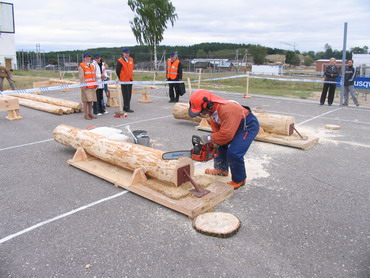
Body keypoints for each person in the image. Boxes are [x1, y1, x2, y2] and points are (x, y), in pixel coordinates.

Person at [188, 89, 260, 189]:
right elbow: (218, 132)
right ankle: (221, 169)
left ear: (208, 105)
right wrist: (214, 142)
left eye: (201, 111)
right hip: (231, 126)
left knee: (234, 153)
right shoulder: (212, 112)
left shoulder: (226, 109)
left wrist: (209, 138)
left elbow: (227, 134)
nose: (201, 114)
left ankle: (239, 179)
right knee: (219, 143)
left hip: (246, 126)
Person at [78, 53, 97, 120]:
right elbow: (81, 76)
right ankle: (86, 114)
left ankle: (90, 113)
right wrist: (84, 85)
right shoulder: (82, 66)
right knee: (85, 101)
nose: (88, 58)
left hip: (92, 85)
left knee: (90, 100)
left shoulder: (92, 65)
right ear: (84, 58)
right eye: (86, 57)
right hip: (85, 86)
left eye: (89, 57)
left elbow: (94, 75)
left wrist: (95, 83)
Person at [116, 48, 134, 113]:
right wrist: (121, 78)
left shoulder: (131, 60)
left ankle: (127, 106)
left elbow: (131, 69)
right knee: (125, 94)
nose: (127, 54)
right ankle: (126, 108)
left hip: (130, 79)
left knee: (129, 94)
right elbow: (117, 71)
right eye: (126, 53)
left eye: (128, 53)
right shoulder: (120, 61)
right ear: (123, 53)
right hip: (124, 80)